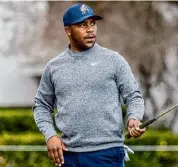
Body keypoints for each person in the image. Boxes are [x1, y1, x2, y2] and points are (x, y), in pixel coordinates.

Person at [32, 3, 146, 167]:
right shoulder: (53, 67)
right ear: (68, 30)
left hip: (107, 155)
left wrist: (134, 118)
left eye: (92, 23)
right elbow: (41, 105)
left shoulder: (114, 60)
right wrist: (50, 135)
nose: (90, 29)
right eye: (82, 25)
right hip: (67, 157)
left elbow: (133, 96)